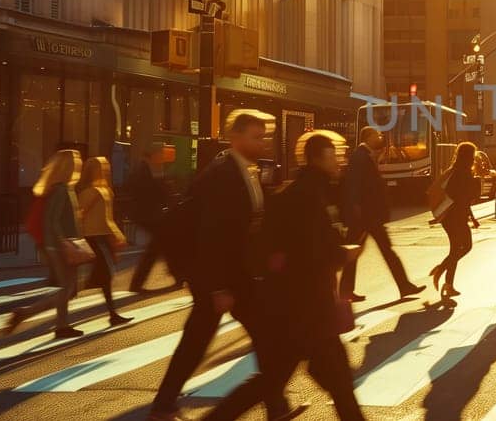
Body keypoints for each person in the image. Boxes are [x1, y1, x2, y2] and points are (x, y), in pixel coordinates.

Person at [149, 111, 299, 421]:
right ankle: (273, 404)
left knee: (235, 337)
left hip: (237, 274)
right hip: (219, 277)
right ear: (236, 137)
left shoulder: (247, 171)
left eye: (264, 136)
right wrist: (217, 286)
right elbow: (213, 234)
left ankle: (275, 405)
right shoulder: (223, 173)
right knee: (221, 339)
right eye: (256, 137)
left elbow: (252, 223)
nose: (263, 143)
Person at [206, 131, 364, 421]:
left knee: (273, 380)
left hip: (294, 307)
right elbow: (313, 252)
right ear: (319, 158)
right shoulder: (309, 196)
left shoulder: (301, 191)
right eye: (335, 155)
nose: (340, 161)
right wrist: (345, 254)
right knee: (331, 382)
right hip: (307, 308)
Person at [5, 149, 86, 339]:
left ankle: (62, 325)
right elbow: (52, 220)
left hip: (63, 244)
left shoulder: (66, 188)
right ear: (68, 167)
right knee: (69, 288)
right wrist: (63, 244)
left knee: (69, 287)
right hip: (60, 246)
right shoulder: (60, 189)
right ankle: (26, 313)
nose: (79, 165)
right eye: (75, 162)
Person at [339, 126, 424, 302]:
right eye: (376, 135)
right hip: (366, 216)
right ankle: (403, 286)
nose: (379, 137)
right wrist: (357, 210)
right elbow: (355, 185)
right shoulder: (360, 156)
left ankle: (402, 286)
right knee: (364, 252)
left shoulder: (366, 155)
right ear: (368, 137)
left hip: (369, 215)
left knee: (371, 251)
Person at [76, 156, 131, 326]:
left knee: (104, 276)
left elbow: (107, 218)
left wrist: (116, 235)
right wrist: (116, 235)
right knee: (105, 276)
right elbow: (81, 215)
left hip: (101, 237)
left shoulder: (104, 190)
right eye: (103, 167)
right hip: (93, 237)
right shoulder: (91, 192)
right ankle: (112, 314)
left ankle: (112, 314)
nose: (106, 169)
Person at [429, 143, 482, 298]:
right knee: (462, 247)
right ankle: (445, 279)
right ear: (469, 156)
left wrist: (472, 217)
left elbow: (461, 197)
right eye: (473, 155)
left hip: (453, 216)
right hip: (455, 217)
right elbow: (463, 196)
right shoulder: (463, 172)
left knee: (461, 247)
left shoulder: (456, 170)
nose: (474, 158)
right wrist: (475, 185)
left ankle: (445, 277)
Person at [128, 142, 181, 292]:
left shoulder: (148, 168)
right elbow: (147, 191)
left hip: (149, 214)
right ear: (154, 154)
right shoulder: (143, 169)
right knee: (161, 244)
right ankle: (177, 274)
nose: (163, 157)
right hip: (147, 214)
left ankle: (177, 275)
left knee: (160, 245)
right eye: (161, 153)